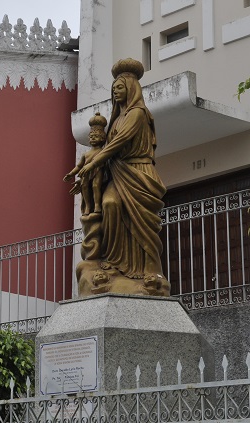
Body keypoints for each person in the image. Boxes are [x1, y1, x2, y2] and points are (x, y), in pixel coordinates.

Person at [77, 58, 169, 295]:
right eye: (113, 89)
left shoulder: (137, 114)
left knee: (140, 223)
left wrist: (93, 163)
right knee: (109, 204)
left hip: (138, 172)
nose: (116, 92)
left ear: (130, 88)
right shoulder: (117, 118)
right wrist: (87, 172)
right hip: (119, 172)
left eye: (120, 88)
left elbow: (117, 143)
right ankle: (117, 262)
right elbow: (105, 150)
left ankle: (143, 269)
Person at [64, 112, 107, 215]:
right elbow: (79, 166)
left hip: (97, 171)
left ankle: (97, 205)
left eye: (96, 136)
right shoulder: (85, 154)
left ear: (102, 138)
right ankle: (88, 206)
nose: (93, 138)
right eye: (91, 136)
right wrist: (71, 174)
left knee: (96, 186)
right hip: (85, 174)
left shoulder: (103, 151)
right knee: (85, 188)